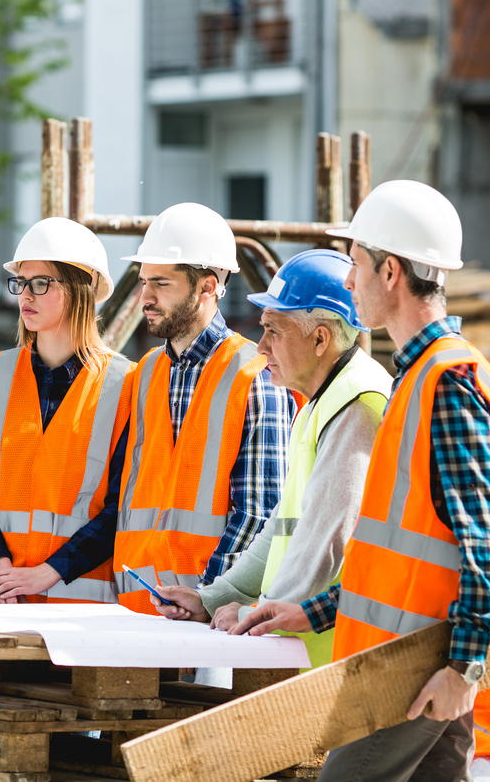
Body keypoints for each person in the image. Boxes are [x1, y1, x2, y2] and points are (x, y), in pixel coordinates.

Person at [232, 181, 490, 782]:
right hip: (412, 658)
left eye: (358, 265)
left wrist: (463, 668)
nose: (348, 282)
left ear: (390, 272)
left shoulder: (446, 382)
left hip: (415, 668)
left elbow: (486, 542)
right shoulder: (421, 378)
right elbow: (399, 557)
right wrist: (312, 611)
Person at [150, 249, 391, 673]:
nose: (260, 347)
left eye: (274, 331)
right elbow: (281, 531)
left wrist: (256, 614)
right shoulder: (321, 402)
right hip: (309, 654)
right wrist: (215, 598)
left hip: (338, 662)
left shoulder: (357, 403)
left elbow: (324, 542)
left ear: (320, 339)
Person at [113, 202, 296, 616]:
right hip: (137, 608)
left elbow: (258, 512)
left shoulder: (255, 375)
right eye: (144, 282)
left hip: (213, 615)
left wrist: (209, 597)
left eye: (160, 283)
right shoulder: (145, 374)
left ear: (207, 287)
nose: (146, 297)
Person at [0, 217, 133, 604]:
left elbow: (122, 508)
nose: (25, 296)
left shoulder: (126, 385)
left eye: (40, 283)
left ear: (79, 289)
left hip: (79, 612)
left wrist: (47, 573)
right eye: (20, 282)